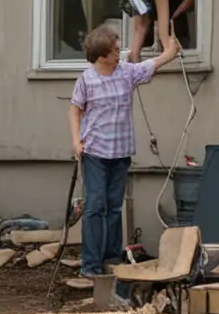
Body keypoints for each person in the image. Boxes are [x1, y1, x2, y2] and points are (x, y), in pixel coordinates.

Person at [69, 22, 180, 280]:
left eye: (119, 48)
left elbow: (152, 64)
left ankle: (111, 258)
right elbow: (75, 109)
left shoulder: (126, 73)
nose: (119, 53)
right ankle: (91, 264)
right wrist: (76, 141)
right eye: (114, 50)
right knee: (95, 205)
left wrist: (170, 49)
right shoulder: (87, 79)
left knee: (114, 207)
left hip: (120, 153)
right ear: (101, 54)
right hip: (95, 152)